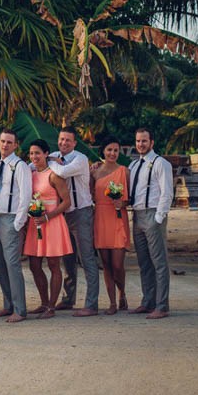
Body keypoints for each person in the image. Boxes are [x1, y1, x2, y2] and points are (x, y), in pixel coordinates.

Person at [48, 125, 99, 316]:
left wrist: (50, 161)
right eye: (61, 139)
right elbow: (35, 166)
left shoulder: (80, 158)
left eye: (68, 140)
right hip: (63, 214)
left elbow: (60, 172)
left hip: (81, 212)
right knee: (67, 259)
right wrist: (45, 159)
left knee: (86, 258)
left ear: (74, 143)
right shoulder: (53, 155)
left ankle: (91, 304)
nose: (63, 143)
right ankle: (68, 299)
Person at [0, 129, 32, 323]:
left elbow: (26, 194)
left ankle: (20, 310)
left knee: (12, 265)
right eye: (3, 141)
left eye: (9, 142)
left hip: (11, 219)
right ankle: (8, 305)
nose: (5, 145)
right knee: (1, 264)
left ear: (15, 145)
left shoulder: (20, 166)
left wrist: (18, 223)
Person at [23, 139, 73, 319]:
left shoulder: (54, 174)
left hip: (51, 222)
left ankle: (51, 306)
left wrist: (47, 217)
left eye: (38, 153)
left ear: (45, 154)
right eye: (31, 153)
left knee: (53, 265)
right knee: (34, 265)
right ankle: (43, 302)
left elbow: (66, 202)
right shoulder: (29, 173)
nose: (34, 156)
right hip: (35, 223)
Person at [128, 128, 173, 319]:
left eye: (144, 141)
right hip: (137, 215)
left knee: (159, 263)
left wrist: (159, 218)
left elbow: (167, 192)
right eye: (138, 141)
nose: (141, 144)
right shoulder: (133, 165)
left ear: (152, 142)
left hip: (153, 214)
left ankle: (161, 306)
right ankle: (148, 302)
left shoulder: (161, 163)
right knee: (144, 263)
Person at [91, 137, 131, 314]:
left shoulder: (125, 171)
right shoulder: (95, 171)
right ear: (103, 151)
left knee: (117, 264)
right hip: (100, 216)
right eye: (109, 150)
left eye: (116, 150)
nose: (113, 153)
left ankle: (122, 292)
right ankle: (112, 302)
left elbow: (130, 198)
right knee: (106, 263)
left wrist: (121, 204)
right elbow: (90, 194)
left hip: (117, 218)